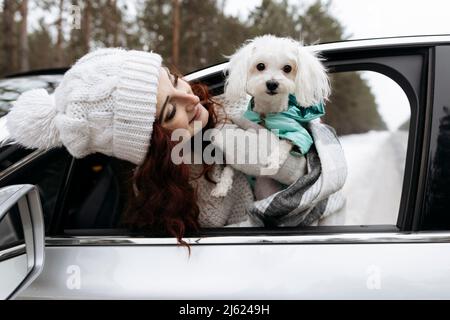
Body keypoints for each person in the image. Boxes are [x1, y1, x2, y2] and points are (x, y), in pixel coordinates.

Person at [5, 48, 317, 248]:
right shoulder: (191, 196)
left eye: (175, 80)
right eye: (170, 111)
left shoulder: (225, 106)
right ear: (154, 146)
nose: (192, 98)